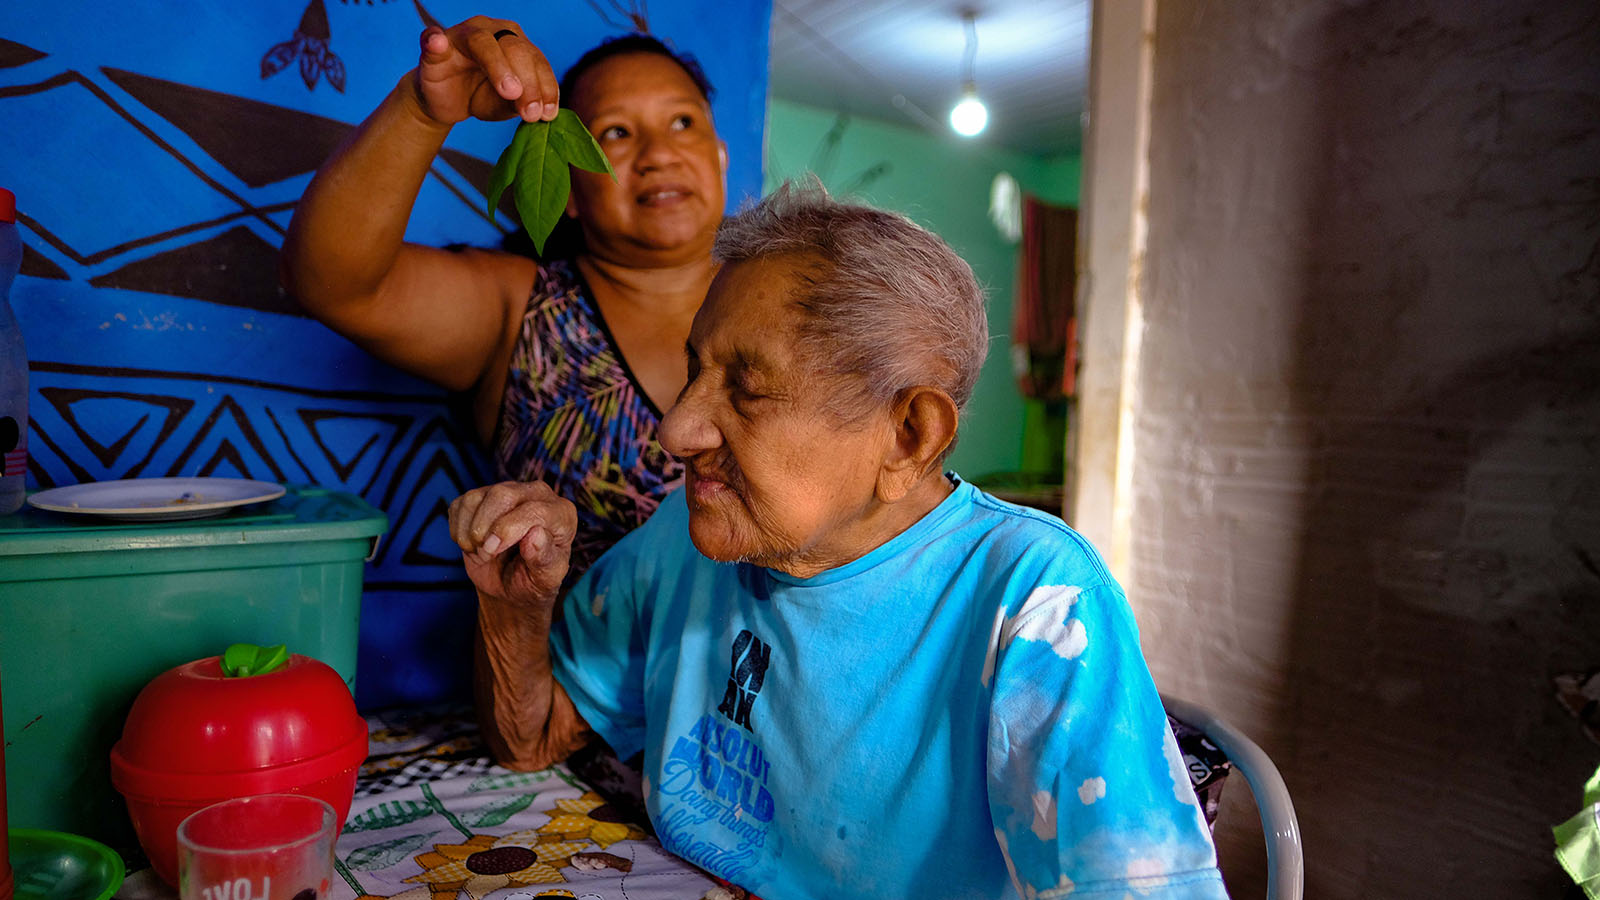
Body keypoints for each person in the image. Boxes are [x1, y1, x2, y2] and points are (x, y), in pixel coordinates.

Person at [448, 182, 1231, 899]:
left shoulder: (1034, 599)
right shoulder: (684, 537)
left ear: (908, 436)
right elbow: (530, 742)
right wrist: (515, 610)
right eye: (694, 371)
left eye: (746, 390)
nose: (676, 428)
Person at [281, 15, 728, 578]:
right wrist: (422, 109)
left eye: (683, 121)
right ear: (564, 186)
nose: (658, 153)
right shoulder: (522, 309)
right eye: (616, 132)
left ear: (720, 156)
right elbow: (334, 283)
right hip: (544, 666)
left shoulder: (791, 304)